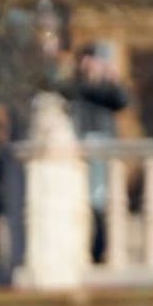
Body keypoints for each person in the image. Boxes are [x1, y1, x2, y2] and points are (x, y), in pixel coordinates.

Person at [60, 42, 131, 263]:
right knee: (80, 202)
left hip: (101, 148)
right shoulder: (76, 86)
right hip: (78, 149)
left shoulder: (106, 88)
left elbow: (122, 101)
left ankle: (98, 250)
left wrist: (112, 78)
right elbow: (73, 92)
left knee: (99, 202)